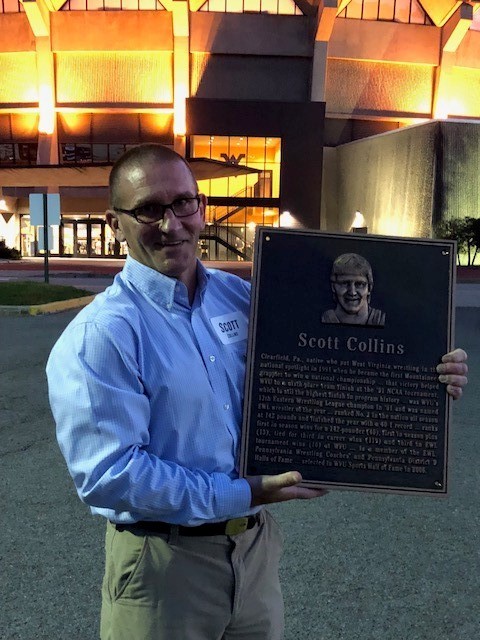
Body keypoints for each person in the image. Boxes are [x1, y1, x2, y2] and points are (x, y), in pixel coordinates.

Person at [46, 144, 468, 640]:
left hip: (254, 549)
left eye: (184, 202)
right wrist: (243, 491)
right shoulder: (103, 335)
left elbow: (319, 371)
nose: (172, 223)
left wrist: (424, 377)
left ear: (201, 207)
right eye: (148, 209)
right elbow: (111, 476)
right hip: (163, 566)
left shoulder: (242, 296)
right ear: (116, 221)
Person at [322, 253, 385, 326]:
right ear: (333, 287)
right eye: (344, 283)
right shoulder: (324, 318)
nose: (352, 292)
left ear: (369, 288)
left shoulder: (381, 320)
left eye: (359, 284)